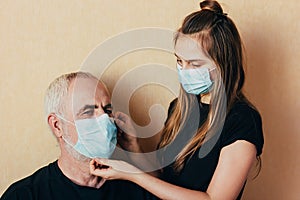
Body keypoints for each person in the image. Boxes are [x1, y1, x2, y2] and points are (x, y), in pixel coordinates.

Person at [89, 1, 264, 200]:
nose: (184, 71)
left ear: (223, 64)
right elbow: (164, 181)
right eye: (180, 61)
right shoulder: (179, 108)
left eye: (195, 63)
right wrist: (135, 146)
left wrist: (132, 174)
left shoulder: (242, 121)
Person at [1, 72, 155, 200]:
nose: (105, 120)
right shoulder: (24, 195)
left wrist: (135, 149)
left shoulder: (136, 184)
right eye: (88, 112)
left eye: (107, 110)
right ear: (57, 126)